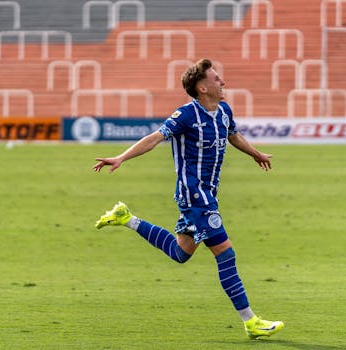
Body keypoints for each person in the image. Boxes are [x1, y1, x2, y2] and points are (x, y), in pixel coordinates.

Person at [93, 58, 284, 339]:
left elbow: (233, 135)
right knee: (226, 254)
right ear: (202, 87)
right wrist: (121, 157)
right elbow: (155, 137)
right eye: (217, 79)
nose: (223, 82)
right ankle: (250, 321)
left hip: (208, 194)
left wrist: (255, 153)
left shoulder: (223, 111)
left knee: (180, 253)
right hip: (195, 196)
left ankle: (127, 218)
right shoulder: (185, 115)